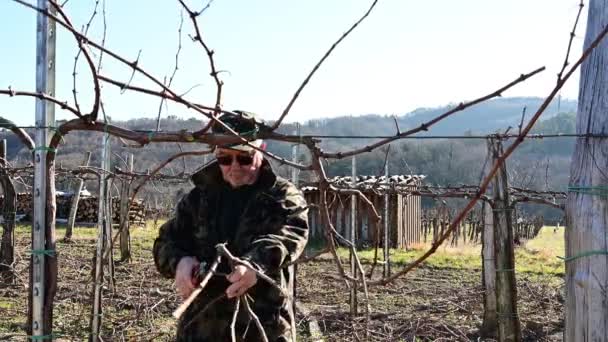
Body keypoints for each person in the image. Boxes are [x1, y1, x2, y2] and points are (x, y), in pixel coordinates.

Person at [153, 110, 309, 342]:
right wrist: (179, 262)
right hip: (201, 329)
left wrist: (255, 265)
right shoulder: (199, 198)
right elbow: (166, 241)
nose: (234, 166)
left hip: (261, 328)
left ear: (261, 150)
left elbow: (289, 235)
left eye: (244, 158)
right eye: (225, 159)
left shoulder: (282, 196)